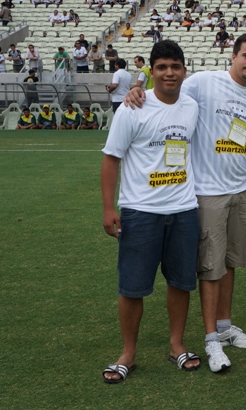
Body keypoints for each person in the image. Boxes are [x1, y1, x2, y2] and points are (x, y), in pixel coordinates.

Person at [125, 33, 246, 370]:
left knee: (230, 262)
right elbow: (166, 93)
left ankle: (224, 326)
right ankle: (211, 340)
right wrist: (137, 88)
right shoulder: (204, 82)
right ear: (233, 56)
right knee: (210, 267)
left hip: (241, 189)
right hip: (207, 191)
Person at [100, 40, 201, 383]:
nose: (169, 73)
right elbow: (111, 159)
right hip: (140, 211)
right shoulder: (133, 107)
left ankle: (177, 345)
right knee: (132, 287)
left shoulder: (192, 105)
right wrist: (108, 208)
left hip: (184, 210)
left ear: (184, 70)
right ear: (151, 71)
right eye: (162, 67)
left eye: (175, 66)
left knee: (181, 283)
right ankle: (128, 353)